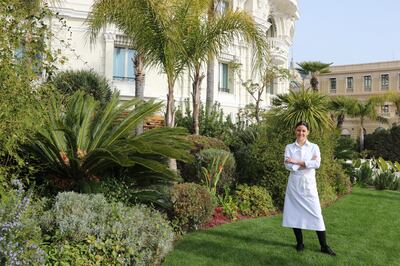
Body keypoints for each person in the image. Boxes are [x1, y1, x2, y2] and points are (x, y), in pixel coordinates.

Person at [282, 121, 336, 256]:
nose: (301, 133)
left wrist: (296, 162)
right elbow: (287, 166)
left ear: (308, 132)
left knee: (316, 214)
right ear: (295, 131)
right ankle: (300, 243)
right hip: (294, 185)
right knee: (294, 214)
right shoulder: (289, 147)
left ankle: (324, 245)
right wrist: (306, 163)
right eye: (299, 130)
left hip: (309, 185)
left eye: (303, 131)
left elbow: (316, 164)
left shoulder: (314, 147)